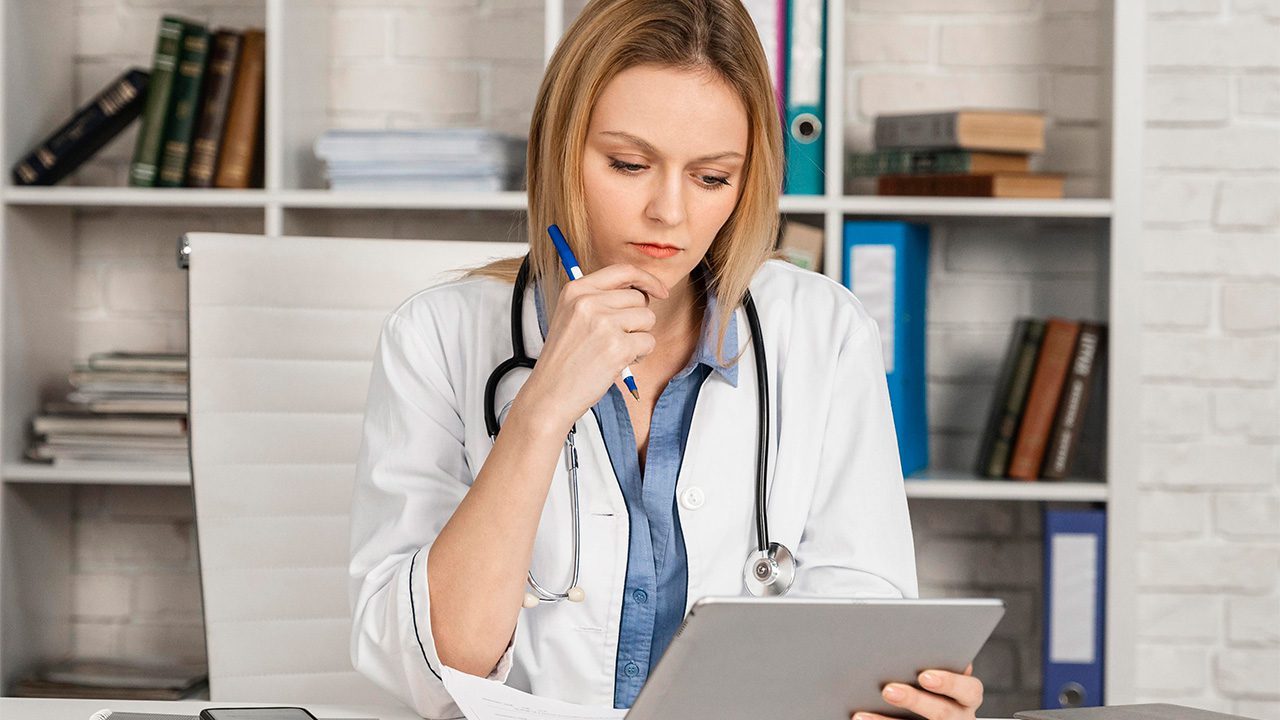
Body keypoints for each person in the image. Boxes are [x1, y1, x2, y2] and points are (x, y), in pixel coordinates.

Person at [348, 0, 986, 718]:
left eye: (712, 177)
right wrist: (542, 410)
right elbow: (434, 664)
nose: (669, 213)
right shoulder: (434, 335)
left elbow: (862, 623)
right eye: (628, 164)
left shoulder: (823, 330)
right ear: (558, 149)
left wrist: (898, 698)